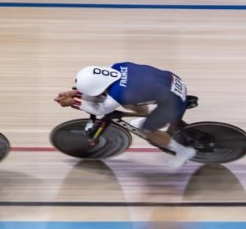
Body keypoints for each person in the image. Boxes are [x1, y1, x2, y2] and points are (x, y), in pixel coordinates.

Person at [55, 63, 196, 169]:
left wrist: (74, 102)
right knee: (129, 100)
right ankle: (146, 114)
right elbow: (103, 90)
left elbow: (100, 111)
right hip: (172, 80)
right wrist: (75, 92)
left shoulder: (117, 95)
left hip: (173, 101)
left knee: (146, 129)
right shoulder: (118, 66)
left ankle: (183, 152)